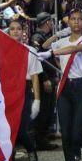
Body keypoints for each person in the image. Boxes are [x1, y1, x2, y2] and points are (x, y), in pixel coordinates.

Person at [41, 8, 82, 161]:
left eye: (80, 19)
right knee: (66, 134)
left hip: (81, 87)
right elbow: (44, 46)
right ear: (68, 22)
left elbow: (74, 48)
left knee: (75, 133)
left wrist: (52, 53)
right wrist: (58, 34)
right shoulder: (62, 40)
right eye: (72, 19)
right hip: (65, 88)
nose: (76, 22)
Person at [6, 19, 42, 161]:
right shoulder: (3, 51)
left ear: (23, 31)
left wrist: (37, 100)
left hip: (24, 91)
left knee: (20, 131)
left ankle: (30, 148)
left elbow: (34, 77)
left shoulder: (30, 51)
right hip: (8, 93)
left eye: (18, 29)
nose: (15, 32)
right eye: (12, 29)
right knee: (9, 133)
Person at [30, 12, 58, 151]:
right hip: (43, 78)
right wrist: (45, 78)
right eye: (50, 21)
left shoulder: (44, 37)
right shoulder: (37, 37)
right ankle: (40, 140)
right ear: (47, 22)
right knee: (43, 111)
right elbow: (37, 60)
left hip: (50, 76)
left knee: (48, 109)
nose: (52, 24)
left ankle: (44, 137)